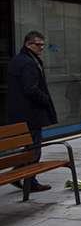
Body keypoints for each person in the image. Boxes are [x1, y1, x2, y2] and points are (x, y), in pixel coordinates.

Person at [6, 31, 57, 193]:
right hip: (30, 113)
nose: (41, 47)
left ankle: (18, 172)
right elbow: (31, 90)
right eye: (38, 44)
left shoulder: (17, 60)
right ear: (28, 45)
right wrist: (46, 99)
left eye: (43, 44)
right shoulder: (27, 62)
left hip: (20, 112)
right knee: (34, 147)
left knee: (29, 147)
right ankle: (30, 181)